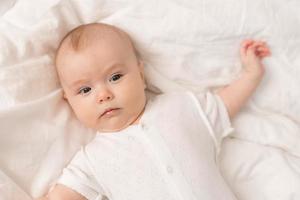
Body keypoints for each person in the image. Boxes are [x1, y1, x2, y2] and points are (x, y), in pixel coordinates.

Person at [38, 22, 271, 200]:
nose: (103, 95)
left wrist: (251, 75)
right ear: (69, 101)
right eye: (85, 90)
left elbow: (224, 103)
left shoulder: (180, 107)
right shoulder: (91, 160)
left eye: (115, 77)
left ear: (141, 75)